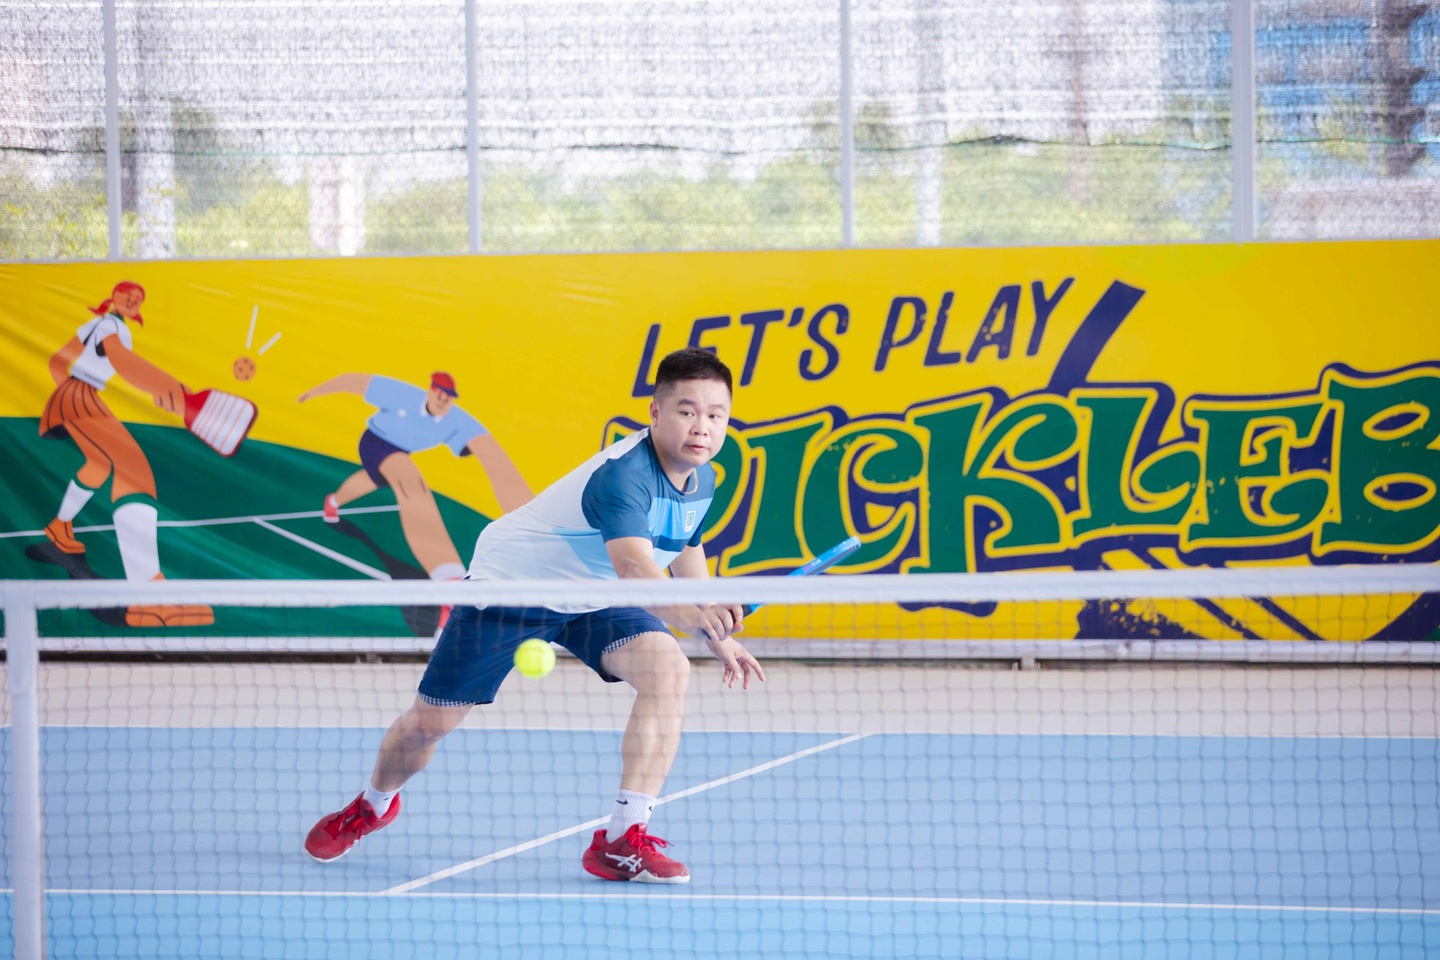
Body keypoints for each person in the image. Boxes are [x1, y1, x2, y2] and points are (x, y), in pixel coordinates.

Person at [304, 348, 762, 883]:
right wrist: (699, 619)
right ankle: (374, 803)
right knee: (428, 725)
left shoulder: (702, 478)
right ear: (656, 413)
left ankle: (622, 838)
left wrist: (714, 626)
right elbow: (636, 569)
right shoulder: (624, 476)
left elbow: (683, 544)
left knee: (668, 670)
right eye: (687, 411)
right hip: (515, 588)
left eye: (716, 415)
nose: (702, 426)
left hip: (594, 595)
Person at [38, 281, 212, 627]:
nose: (133, 300)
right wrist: (168, 387)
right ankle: (148, 599)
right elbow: (121, 362)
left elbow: (58, 363)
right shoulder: (111, 326)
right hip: (81, 395)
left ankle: (59, 528)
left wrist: (66, 396)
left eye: (138, 299)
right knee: (134, 472)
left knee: (100, 464)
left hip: (75, 394)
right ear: (114, 297)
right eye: (128, 295)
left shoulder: (98, 325)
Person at [298, 371, 533, 585]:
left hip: (400, 452)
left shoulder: (457, 421)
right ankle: (448, 578)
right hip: (375, 442)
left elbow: (496, 461)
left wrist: (533, 525)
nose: (443, 400)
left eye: (448, 396)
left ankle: (333, 502)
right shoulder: (402, 395)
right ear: (430, 390)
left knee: (374, 479)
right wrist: (312, 392)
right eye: (439, 393)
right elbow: (354, 381)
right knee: (410, 482)